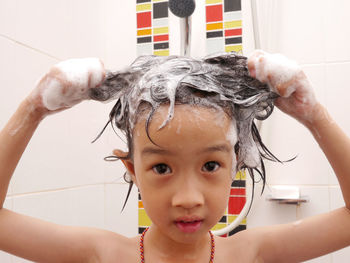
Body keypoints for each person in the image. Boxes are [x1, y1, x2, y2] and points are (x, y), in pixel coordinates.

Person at [0, 50, 349, 263]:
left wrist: (314, 115)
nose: (188, 199)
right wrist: (32, 110)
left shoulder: (249, 254)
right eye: (162, 167)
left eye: (210, 165)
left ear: (236, 164)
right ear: (133, 170)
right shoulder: (104, 255)